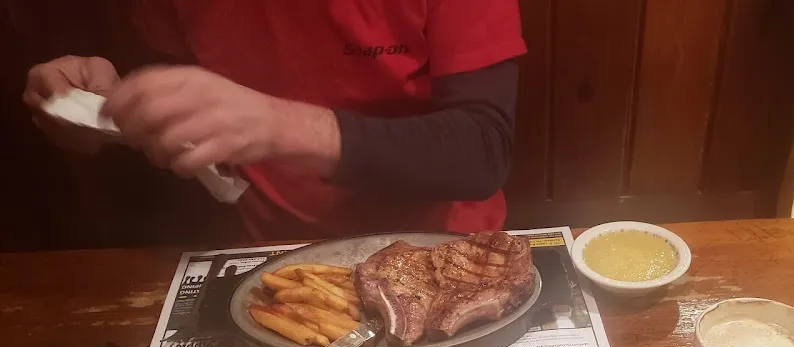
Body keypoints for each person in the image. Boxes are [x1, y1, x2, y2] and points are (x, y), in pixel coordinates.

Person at [22, 1, 526, 241]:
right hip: (272, 261)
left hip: (445, 249)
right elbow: (178, 86)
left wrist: (276, 125)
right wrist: (103, 109)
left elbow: (480, 149)